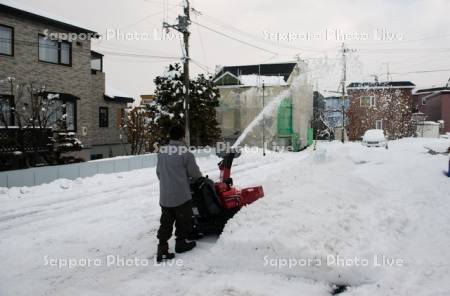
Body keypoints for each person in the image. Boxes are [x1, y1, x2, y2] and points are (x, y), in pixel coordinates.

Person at [156, 124, 203, 262]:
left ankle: (162, 247)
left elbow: (159, 173)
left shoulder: (162, 152)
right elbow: (194, 174)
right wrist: (198, 179)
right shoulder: (185, 153)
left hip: (165, 196)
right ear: (182, 137)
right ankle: (181, 243)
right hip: (181, 196)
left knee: (166, 221)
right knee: (184, 220)